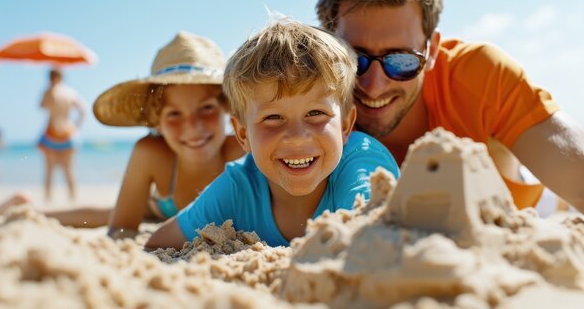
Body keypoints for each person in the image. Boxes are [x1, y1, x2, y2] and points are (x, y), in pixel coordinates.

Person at [316, 0, 584, 212]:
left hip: (523, 211)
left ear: (431, 49)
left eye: (402, 61)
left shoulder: (478, 75)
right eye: (354, 58)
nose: (374, 86)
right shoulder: (305, 96)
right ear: (327, 47)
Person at [144, 20, 400, 250]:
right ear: (242, 134)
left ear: (345, 126)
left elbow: (373, 238)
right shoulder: (238, 186)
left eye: (315, 113)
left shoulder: (362, 161)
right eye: (273, 118)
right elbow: (158, 243)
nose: (297, 136)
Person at [0, 32, 245, 239]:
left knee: (99, 213)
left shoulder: (240, 153)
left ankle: (26, 208)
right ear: (156, 120)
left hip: (171, 215)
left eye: (206, 108)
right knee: (102, 216)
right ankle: (22, 210)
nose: (193, 126)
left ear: (227, 108)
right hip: (160, 210)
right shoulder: (151, 153)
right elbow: (121, 228)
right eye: (174, 114)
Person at [38, 68, 86, 202]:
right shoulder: (71, 92)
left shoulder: (50, 92)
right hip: (68, 132)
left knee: (49, 171)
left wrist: (49, 94)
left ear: (50, 78)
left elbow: (41, 106)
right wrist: (76, 127)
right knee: (68, 170)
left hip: (51, 133)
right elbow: (83, 111)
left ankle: (48, 201)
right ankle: (73, 200)